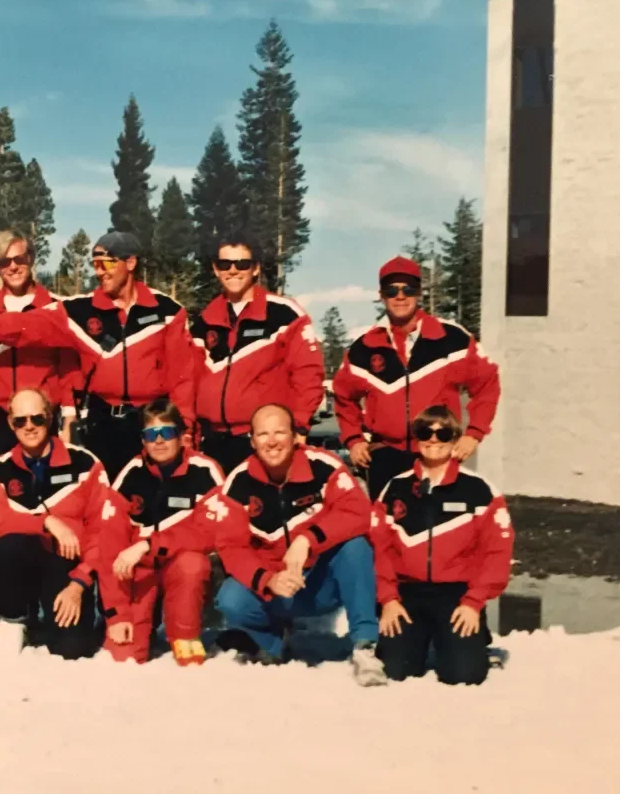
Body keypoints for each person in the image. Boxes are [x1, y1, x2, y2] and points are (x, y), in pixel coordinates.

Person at [0, 231, 196, 481]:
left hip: (151, 420)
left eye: (106, 263)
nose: (99, 272)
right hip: (100, 422)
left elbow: (183, 378)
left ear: (130, 263)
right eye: (95, 264)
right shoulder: (80, 310)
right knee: (100, 492)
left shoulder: (167, 311)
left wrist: (185, 430)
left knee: (152, 489)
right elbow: (27, 324)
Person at [215, 403, 387, 686]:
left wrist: (308, 539)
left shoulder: (324, 465)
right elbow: (231, 547)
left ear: (295, 436)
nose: (272, 441)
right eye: (263, 434)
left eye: (280, 432)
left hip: (321, 583)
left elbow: (357, 512)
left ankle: (364, 645)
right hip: (277, 587)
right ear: (252, 441)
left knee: (355, 547)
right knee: (230, 599)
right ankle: (272, 642)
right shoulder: (238, 482)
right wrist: (268, 580)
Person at [333, 256, 501, 501]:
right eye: (392, 290)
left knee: (439, 523)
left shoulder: (452, 338)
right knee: (386, 524)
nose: (400, 296)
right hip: (385, 456)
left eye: (408, 289)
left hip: (438, 449)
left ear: (419, 292)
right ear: (381, 295)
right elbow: (343, 397)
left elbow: (487, 384)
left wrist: (473, 434)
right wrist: (354, 439)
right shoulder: (364, 347)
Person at [371, 406, 514, 685]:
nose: (434, 440)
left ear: (455, 439)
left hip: (456, 593)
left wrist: (474, 602)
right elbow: (379, 547)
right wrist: (388, 599)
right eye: (425, 432)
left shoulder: (478, 489)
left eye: (444, 433)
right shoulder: (396, 487)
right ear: (416, 438)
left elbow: (498, 551)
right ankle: (419, 640)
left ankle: (474, 640)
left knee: (464, 676)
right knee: (395, 671)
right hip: (407, 592)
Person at [97, 399, 243, 666]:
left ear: (181, 435)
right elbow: (109, 546)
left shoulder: (205, 471)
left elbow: (210, 532)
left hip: (180, 567)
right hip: (141, 573)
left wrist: (149, 544)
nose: (159, 441)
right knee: (124, 658)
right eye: (151, 434)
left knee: (192, 563)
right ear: (142, 440)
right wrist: (117, 615)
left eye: (166, 432)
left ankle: (185, 636)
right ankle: (142, 627)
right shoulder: (130, 475)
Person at [0, 388, 107, 659]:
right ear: (10, 423)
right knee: (6, 546)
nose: (29, 427)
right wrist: (46, 522)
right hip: (23, 562)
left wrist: (79, 583)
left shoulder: (85, 464)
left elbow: (102, 530)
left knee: (72, 649)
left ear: (49, 418)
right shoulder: (0, 468)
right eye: (20, 420)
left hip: (66, 565)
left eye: (36, 419)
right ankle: (15, 618)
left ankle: (57, 622)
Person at [191, 230, 325, 473]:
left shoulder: (285, 314)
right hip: (212, 443)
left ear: (255, 268)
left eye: (242, 264)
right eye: (225, 264)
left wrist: (299, 425)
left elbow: (309, 375)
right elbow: (190, 380)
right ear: (216, 269)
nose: (233, 270)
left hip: (263, 443)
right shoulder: (205, 320)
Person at [0, 231, 81, 462]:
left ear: (31, 259)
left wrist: (69, 419)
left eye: (19, 259)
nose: (13, 267)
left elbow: (68, 371)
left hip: (40, 422)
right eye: (4, 262)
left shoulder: (55, 309)